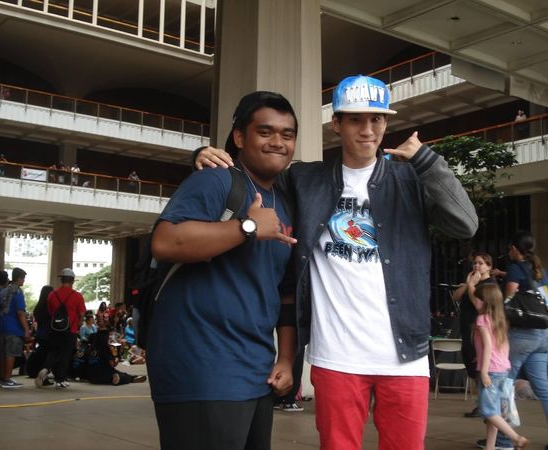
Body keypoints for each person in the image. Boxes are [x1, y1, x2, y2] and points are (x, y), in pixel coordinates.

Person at [196, 75, 478, 450]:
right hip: (337, 356)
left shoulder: (409, 179)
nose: (367, 129)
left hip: (404, 355)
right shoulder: (306, 179)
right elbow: (256, 172)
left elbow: (466, 224)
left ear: (386, 124)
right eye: (356, 120)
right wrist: (203, 156)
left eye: (376, 120)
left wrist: (428, 160)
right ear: (337, 124)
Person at [147, 91, 299, 450]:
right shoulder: (215, 182)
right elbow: (165, 242)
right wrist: (246, 227)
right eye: (265, 132)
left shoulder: (287, 200)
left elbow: (285, 291)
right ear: (240, 138)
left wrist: (287, 358)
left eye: (287, 134)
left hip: (256, 372)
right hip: (201, 367)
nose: (277, 142)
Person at [479, 232, 548, 450]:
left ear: (515, 249)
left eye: (510, 248)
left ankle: (504, 440)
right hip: (542, 335)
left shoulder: (516, 267)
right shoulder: (539, 270)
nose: (509, 251)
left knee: (505, 383)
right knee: (543, 388)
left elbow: (509, 300)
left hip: (521, 335)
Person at [473, 284, 529, 450]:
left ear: (486, 301)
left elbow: (488, 345)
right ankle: (490, 447)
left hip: (490, 370)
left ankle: (516, 438)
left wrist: (483, 370)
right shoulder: (500, 319)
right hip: (503, 369)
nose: (474, 300)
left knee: (488, 411)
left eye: (477, 298)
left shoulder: (481, 319)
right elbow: (502, 346)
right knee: (494, 412)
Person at [453, 252, 496, 418]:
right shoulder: (472, 282)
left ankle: (484, 404)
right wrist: (468, 283)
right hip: (466, 328)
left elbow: (479, 306)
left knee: (478, 365)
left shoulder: (489, 285)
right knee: (471, 364)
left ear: (489, 267)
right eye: (475, 263)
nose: (477, 266)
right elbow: (457, 296)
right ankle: (481, 402)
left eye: (481, 263)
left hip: (478, 329)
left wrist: (472, 286)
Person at [35, 268, 86, 389]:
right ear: (72, 281)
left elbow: (51, 311)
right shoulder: (77, 296)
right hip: (70, 329)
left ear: (61, 279)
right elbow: (82, 314)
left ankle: (45, 368)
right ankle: (60, 379)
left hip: (55, 329)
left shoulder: (52, 294)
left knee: (53, 351)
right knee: (65, 355)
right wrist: (77, 324)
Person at [0, 268, 30, 388]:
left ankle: (1, 378)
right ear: (20, 278)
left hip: (3, 327)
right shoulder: (17, 292)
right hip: (14, 328)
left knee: (3, 354)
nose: (24, 281)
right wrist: (26, 329)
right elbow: (20, 313)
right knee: (11, 353)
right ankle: (7, 379)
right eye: (23, 278)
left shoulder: (4, 291)